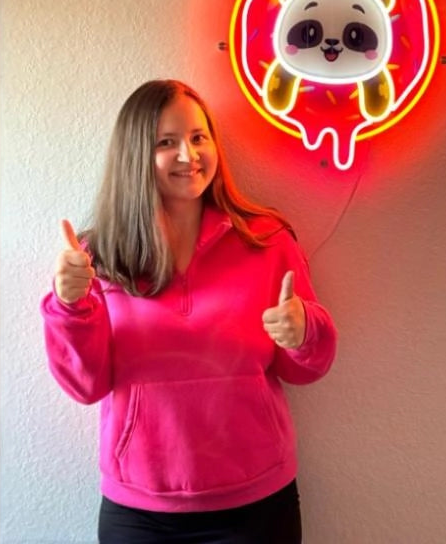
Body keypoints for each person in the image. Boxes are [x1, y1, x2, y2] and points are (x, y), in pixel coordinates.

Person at [42, 79, 338, 543]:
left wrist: (304, 331)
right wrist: (69, 306)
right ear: (136, 155)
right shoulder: (99, 257)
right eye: (166, 142)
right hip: (140, 511)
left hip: (256, 504)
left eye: (199, 137)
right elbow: (85, 386)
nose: (189, 154)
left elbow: (307, 369)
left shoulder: (266, 240)